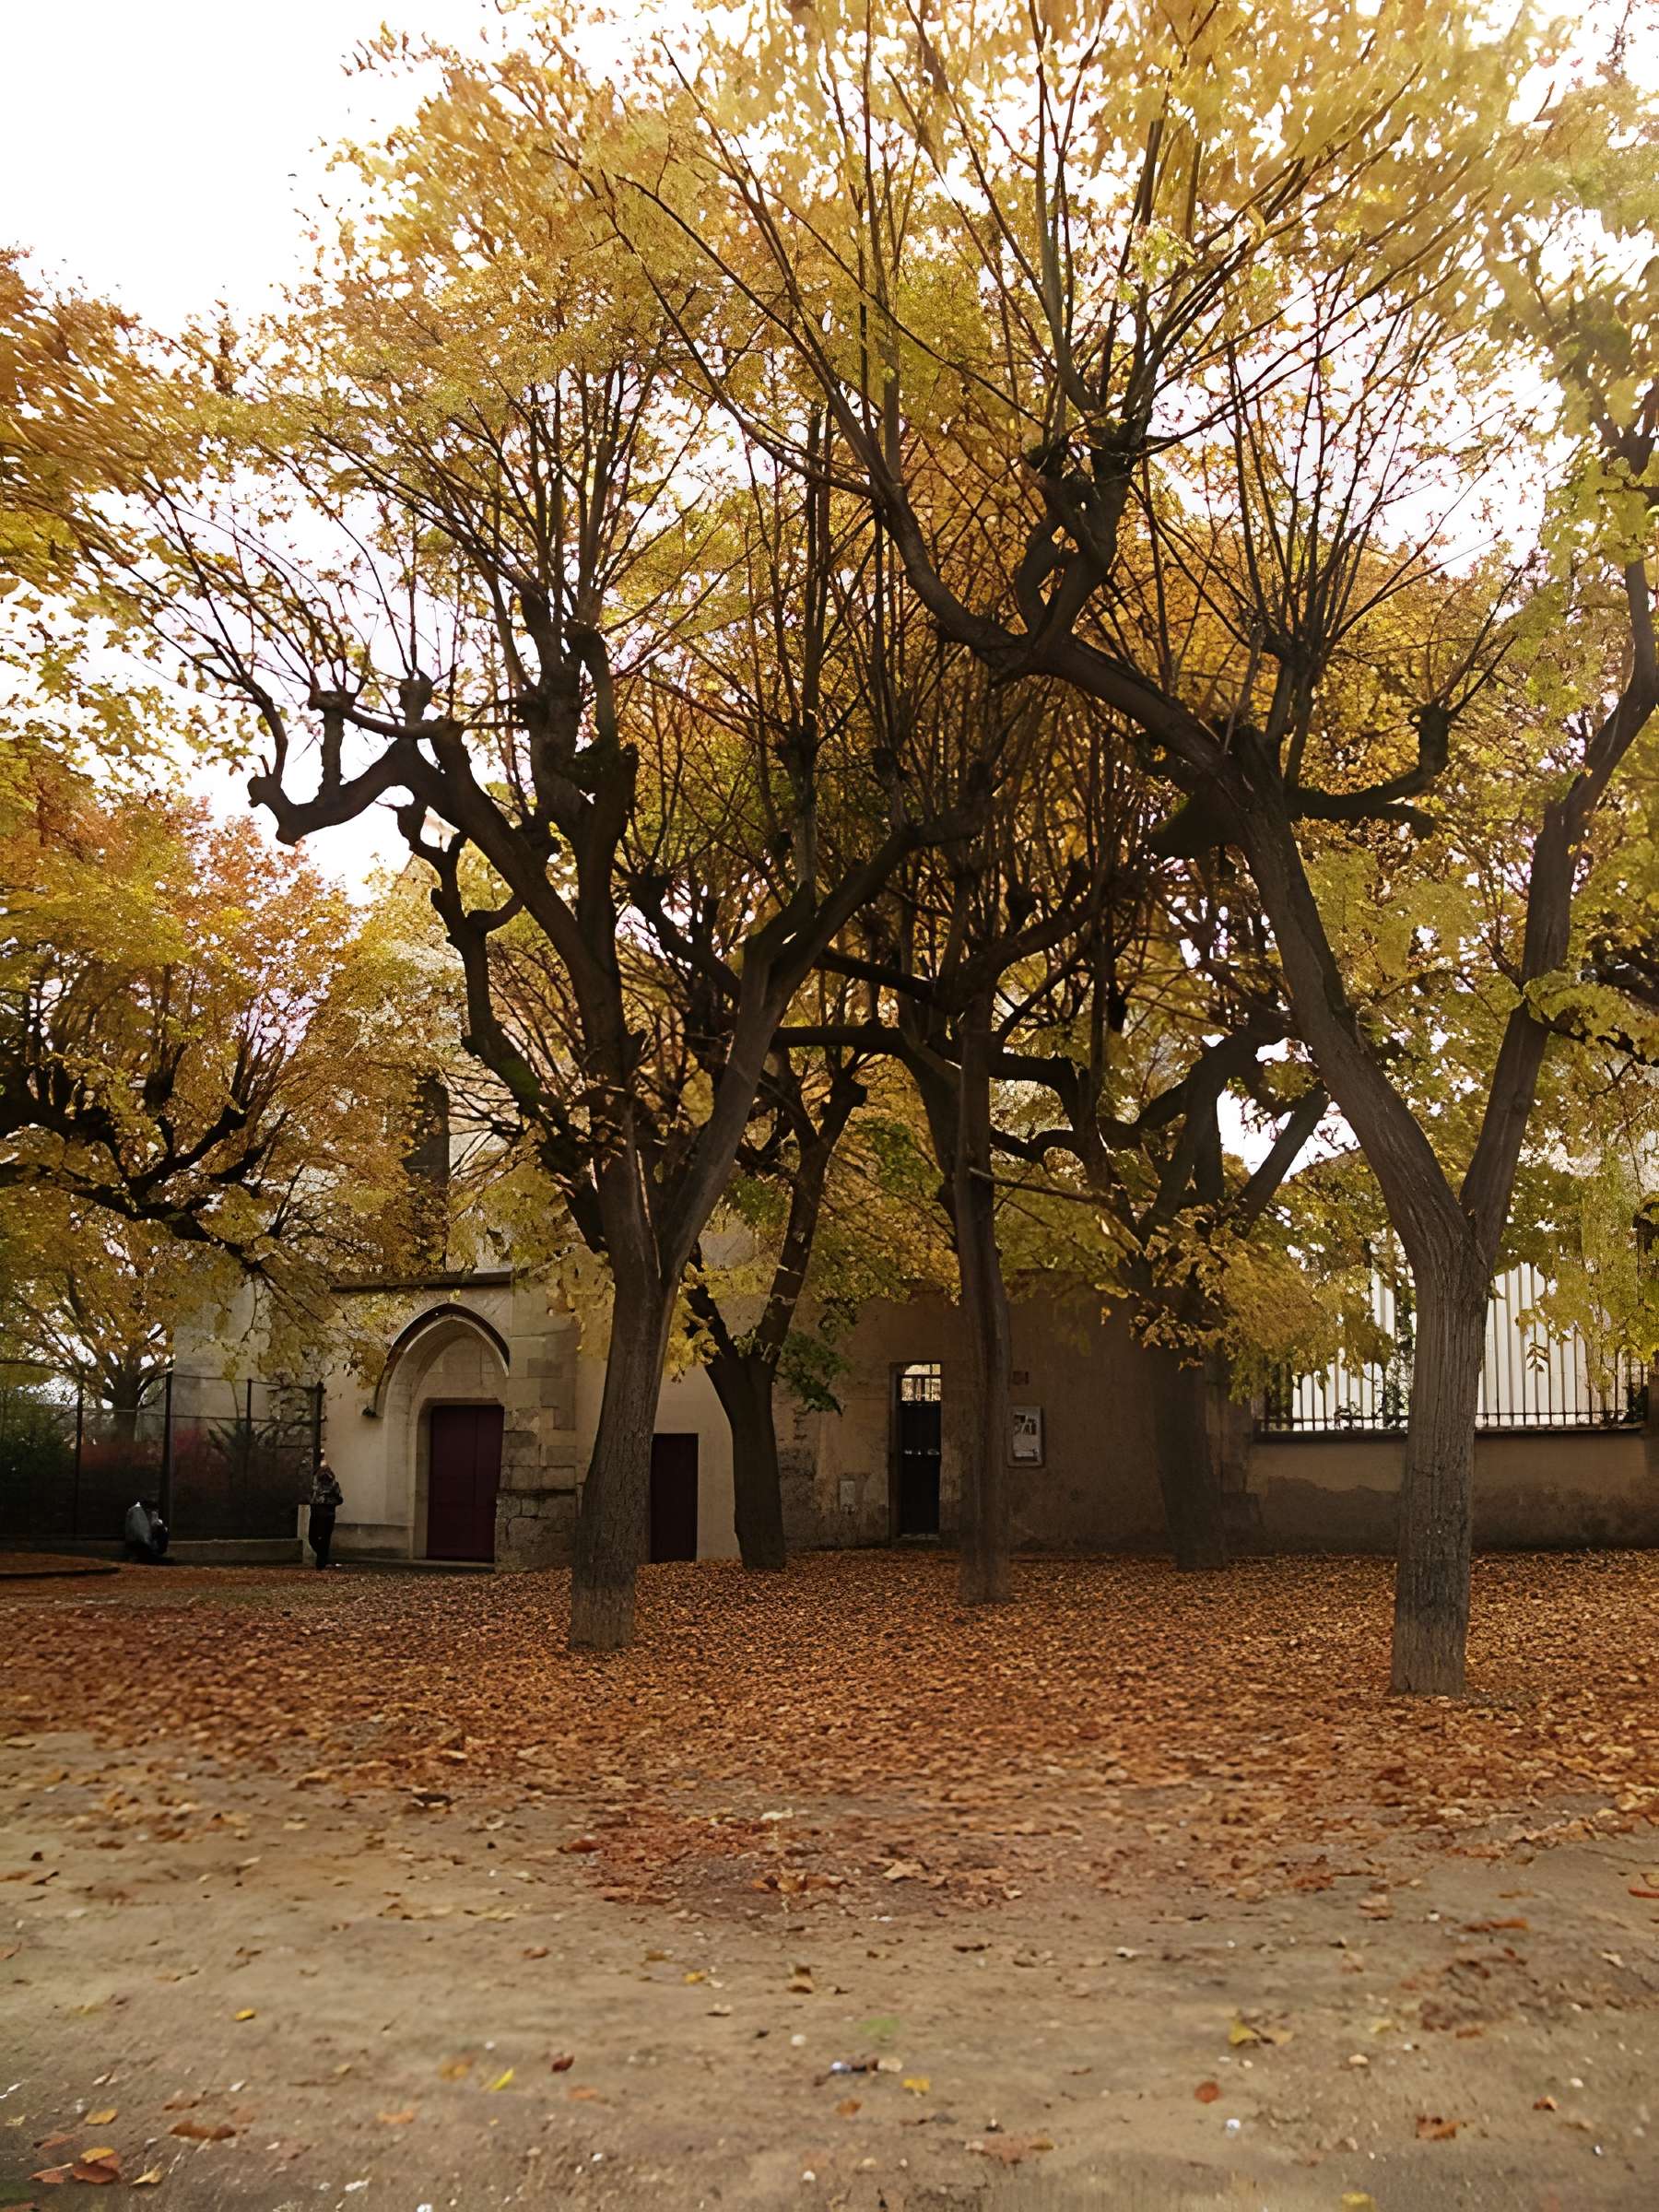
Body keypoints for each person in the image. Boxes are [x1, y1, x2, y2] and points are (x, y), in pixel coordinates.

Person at [308, 1457, 344, 1570]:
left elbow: (311, 1496)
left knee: (314, 1538)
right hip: (327, 1513)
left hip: (318, 1512)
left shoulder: (315, 1484)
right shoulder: (334, 1484)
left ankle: (322, 1560)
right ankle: (322, 1560)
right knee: (324, 1539)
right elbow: (340, 1499)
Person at [123, 1497, 171, 1563]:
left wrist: (159, 1526)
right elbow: (141, 1534)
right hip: (139, 1544)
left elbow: (155, 1528)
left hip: (149, 1544)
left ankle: (154, 1556)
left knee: (162, 1529)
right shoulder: (136, 1510)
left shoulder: (152, 1512)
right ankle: (145, 1557)